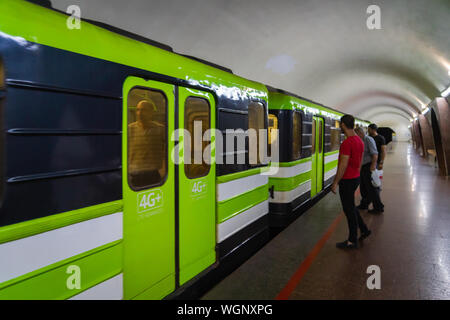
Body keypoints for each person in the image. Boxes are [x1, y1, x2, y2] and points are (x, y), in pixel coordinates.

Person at [331, 115, 371, 249]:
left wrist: (335, 182)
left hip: (347, 180)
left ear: (343, 125)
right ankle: (364, 229)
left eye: (340, 125)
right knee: (352, 207)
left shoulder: (347, 143)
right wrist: (357, 174)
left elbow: (343, 165)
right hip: (355, 178)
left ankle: (352, 240)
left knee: (349, 210)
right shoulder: (359, 141)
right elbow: (359, 162)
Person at [128, 99, 166, 188]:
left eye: (144, 110)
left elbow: (167, 151)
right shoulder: (129, 129)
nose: (140, 113)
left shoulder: (160, 129)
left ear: (151, 113)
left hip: (153, 173)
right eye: (138, 110)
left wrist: (163, 170)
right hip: (133, 174)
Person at [355, 127, 384, 214]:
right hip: (363, 167)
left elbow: (375, 153)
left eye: (356, 134)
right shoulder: (361, 140)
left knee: (372, 188)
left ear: (360, 133)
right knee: (363, 188)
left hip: (368, 166)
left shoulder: (368, 139)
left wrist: (373, 166)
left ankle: (378, 207)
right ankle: (364, 204)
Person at [367, 123, 386, 214]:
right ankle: (372, 203)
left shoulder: (380, 138)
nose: (368, 131)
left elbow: (383, 151)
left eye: (369, 129)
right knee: (372, 184)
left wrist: (381, 162)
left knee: (374, 184)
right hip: (370, 163)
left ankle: (378, 206)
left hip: (375, 163)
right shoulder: (369, 137)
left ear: (373, 130)